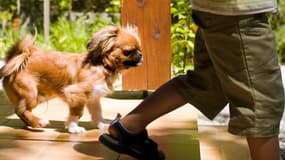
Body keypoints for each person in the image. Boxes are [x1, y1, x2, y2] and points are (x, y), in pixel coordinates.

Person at [99, 0, 285, 160]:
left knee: (207, 82)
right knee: (262, 103)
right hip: (238, 12)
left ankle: (128, 127)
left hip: (222, 10)